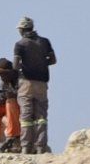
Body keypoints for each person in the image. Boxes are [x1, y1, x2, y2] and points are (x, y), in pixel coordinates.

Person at [12, 16, 57, 154]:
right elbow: (53, 60)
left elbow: (15, 66)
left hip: (26, 83)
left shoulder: (20, 44)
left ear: (21, 29)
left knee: (26, 117)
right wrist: (41, 64)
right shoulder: (45, 42)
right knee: (41, 117)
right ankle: (40, 147)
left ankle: (26, 147)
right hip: (42, 83)